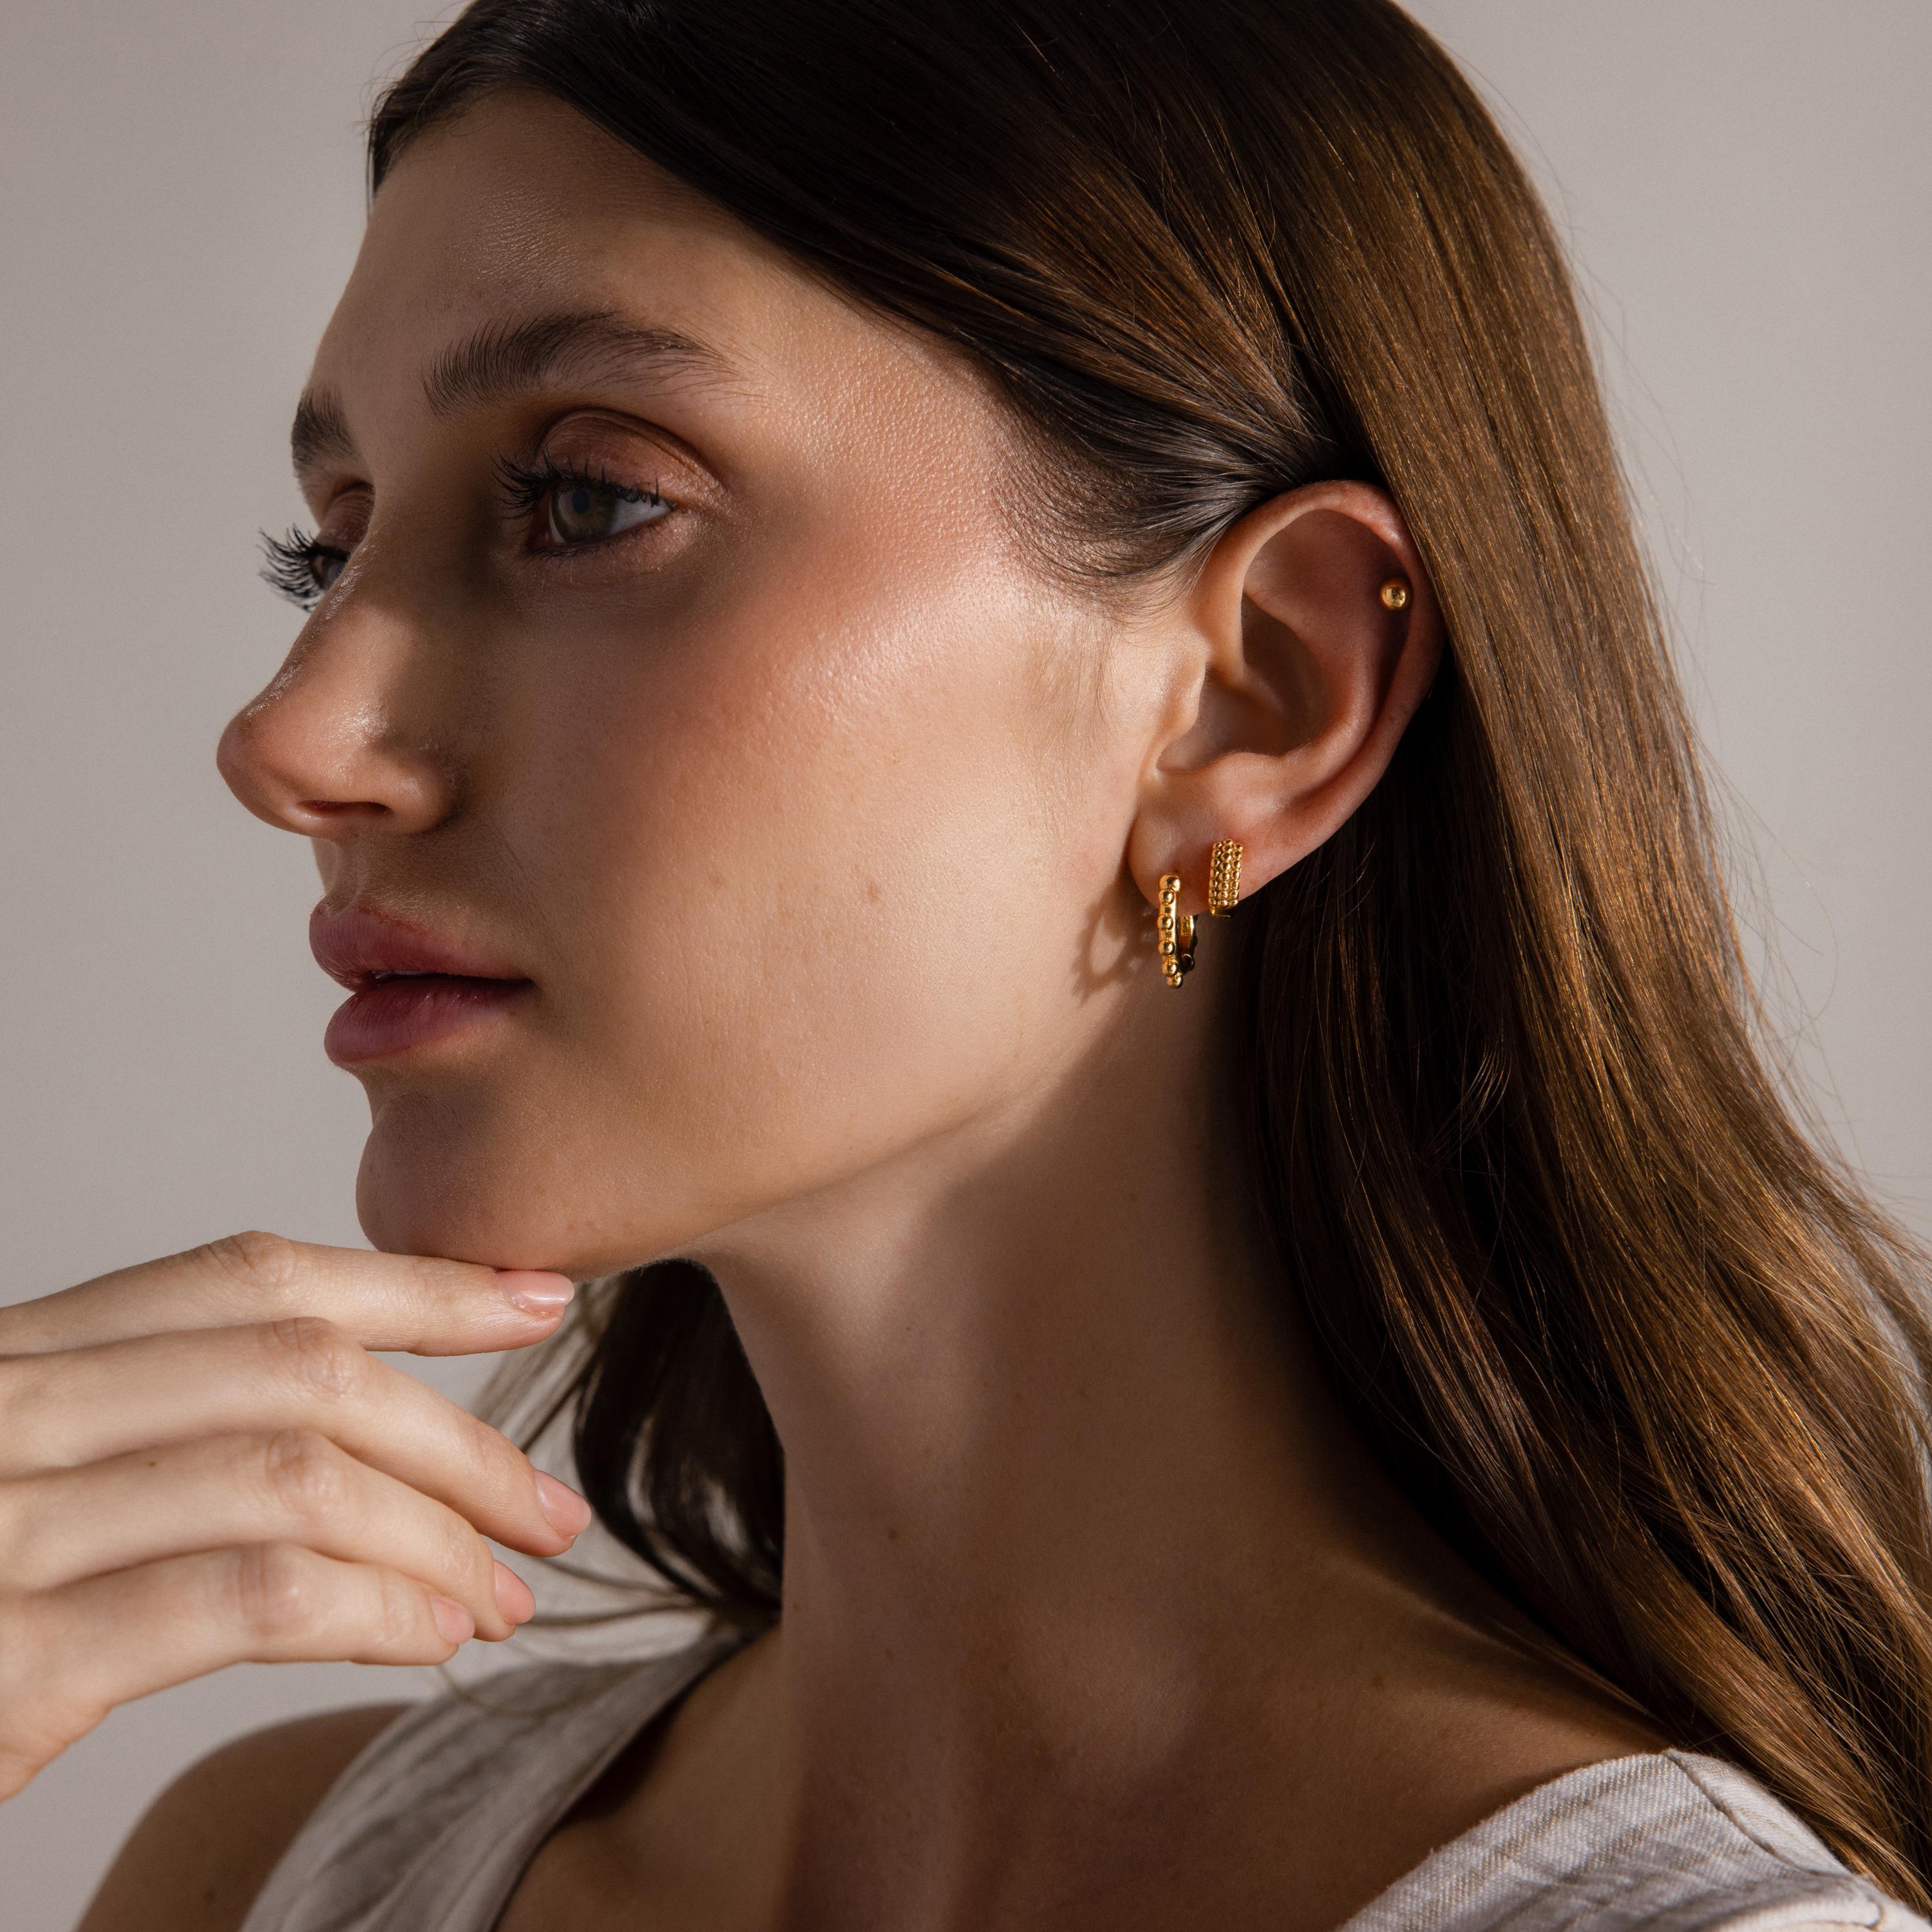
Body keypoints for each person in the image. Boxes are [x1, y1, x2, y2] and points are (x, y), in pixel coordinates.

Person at [5, 1, 1926, 1926]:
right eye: (326, 547)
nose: (294, 737)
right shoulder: (258, 1878)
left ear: (1254, 701)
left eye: (588, 499)